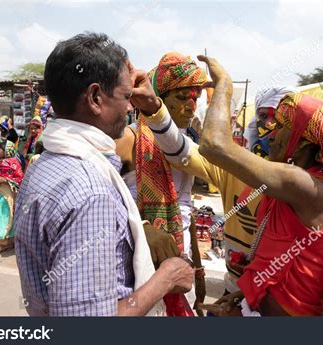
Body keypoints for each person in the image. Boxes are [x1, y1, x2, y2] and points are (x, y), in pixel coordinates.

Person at [14, 32, 193, 317]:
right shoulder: (90, 189)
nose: (131, 106)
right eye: (125, 96)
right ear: (96, 98)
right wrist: (166, 279)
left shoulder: (44, 165)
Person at [190, 56, 323, 316]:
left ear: (303, 141)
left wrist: (224, 87)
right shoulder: (298, 181)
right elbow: (280, 255)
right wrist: (243, 298)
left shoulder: (303, 184)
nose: (272, 134)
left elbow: (213, 145)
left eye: (282, 126)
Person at [141, 86, 294, 299]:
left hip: (278, 305)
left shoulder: (306, 186)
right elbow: (183, 151)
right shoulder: (234, 168)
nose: (269, 125)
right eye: (263, 116)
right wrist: (154, 109)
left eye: (280, 120)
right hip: (231, 296)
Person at [114, 52, 206, 314]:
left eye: (195, 98)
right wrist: (142, 227)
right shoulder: (129, 140)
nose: (190, 106)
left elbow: (184, 213)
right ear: (159, 101)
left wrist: (197, 274)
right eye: (181, 97)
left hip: (178, 268)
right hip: (139, 275)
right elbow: (96, 199)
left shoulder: (188, 149)